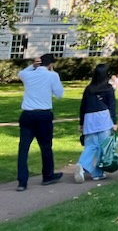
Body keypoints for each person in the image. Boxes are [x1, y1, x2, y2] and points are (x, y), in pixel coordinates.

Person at [16, 53, 65, 191]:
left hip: (27, 114)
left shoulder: (28, 75)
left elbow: (21, 73)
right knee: (45, 146)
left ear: (38, 63)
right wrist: (53, 73)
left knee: (23, 148)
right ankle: (48, 175)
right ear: (51, 64)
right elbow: (59, 94)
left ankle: (22, 181)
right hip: (43, 114)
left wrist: (32, 66)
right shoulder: (52, 76)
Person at [75, 63, 118, 183]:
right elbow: (112, 106)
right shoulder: (108, 88)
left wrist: (81, 123)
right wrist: (114, 122)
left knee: (90, 145)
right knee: (102, 146)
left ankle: (82, 164)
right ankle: (97, 173)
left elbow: (83, 106)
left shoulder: (89, 89)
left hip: (89, 118)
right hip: (103, 117)